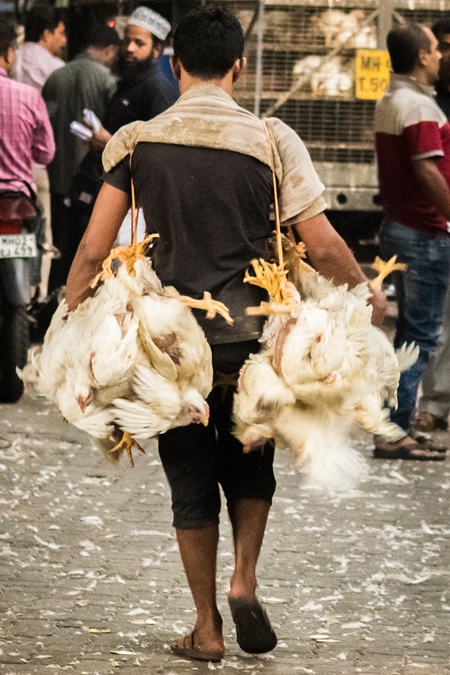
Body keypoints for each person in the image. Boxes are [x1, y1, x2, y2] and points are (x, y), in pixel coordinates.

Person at [65, 7, 386, 662]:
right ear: (239, 65)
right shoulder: (272, 140)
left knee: (188, 478)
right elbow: (322, 242)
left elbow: (95, 246)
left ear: (174, 62)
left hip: (169, 347)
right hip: (253, 342)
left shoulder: (135, 140)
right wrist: (366, 293)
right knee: (251, 464)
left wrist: (74, 322)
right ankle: (245, 576)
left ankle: (206, 626)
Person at [373, 22, 450, 461]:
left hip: (398, 227)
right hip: (424, 232)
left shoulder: (390, 100)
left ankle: (396, 423)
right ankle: (392, 430)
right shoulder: (418, 106)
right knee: (421, 335)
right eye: (436, 49)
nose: (440, 55)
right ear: (421, 56)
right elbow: (427, 170)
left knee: (407, 335)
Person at [42, 24, 119, 293]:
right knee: (89, 249)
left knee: (61, 247)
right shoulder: (108, 81)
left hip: (58, 179)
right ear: (110, 51)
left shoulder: (55, 77)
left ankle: (53, 302)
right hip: (92, 183)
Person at [11, 6, 66, 299]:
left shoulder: (11, 58)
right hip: (33, 168)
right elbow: (46, 147)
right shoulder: (56, 69)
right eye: (60, 32)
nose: (64, 40)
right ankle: (35, 291)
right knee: (40, 230)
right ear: (47, 33)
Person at [0, 20, 55, 291]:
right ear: (9, 53)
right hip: (19, 197)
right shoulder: (29, 96)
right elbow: (46, 153)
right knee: (38, 230)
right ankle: (33, 288)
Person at [415, 20, 450, 434]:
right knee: (437, 323)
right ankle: (437, 404)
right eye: (443, 47)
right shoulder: (428, 103)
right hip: (436, 225)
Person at [12, 5, 66, 92]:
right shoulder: (56, 67)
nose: (64, 40)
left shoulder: (13, 58)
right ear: (47, 35)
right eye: (61, 33)